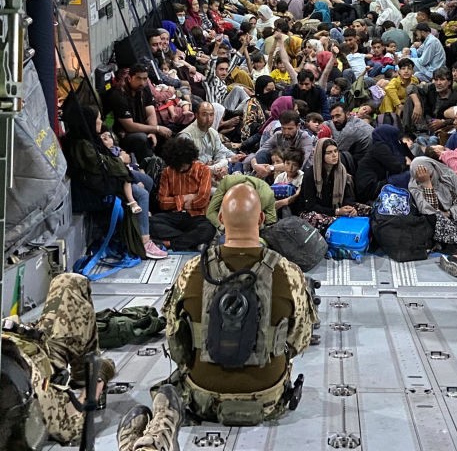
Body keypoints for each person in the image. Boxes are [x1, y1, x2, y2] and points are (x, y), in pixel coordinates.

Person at [121, 184, 316, 448]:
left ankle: (161, 424)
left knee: (170, 386)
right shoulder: (289, 272)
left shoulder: (191, 270)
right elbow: (298, 342)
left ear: (221, 220)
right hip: (267, 399)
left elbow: (175, 341)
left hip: (201, 397)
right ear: (261, 219)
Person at [1, 274, 115, 449]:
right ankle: (87, 372)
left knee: (69, 282)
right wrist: (98, 379)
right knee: (71, 282)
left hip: (21, 341)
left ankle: (86, 371)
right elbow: (73, 425)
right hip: (43, 357)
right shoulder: (29, 388)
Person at [62, 105, 167, 259]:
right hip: (97, 185)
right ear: (89, 121)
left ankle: (143, 222)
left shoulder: (90, 137)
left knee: (147, 181)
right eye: (97, 118)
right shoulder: (81, 144)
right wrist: (120, 162)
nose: (100, 121)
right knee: (142, 194)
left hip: (109, 176)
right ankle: (144, 241)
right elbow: (101, 165)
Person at [408, 157, 457, 278]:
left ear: (434, 169)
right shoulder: (414, 185)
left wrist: (451, 212)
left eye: (430, 176)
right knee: (431, 218)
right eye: (421, 178)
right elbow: (428, 210)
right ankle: (455, 252)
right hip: (439, 222)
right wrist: (427, 185)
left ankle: (455, 258)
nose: (428, 179)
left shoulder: (448, 175)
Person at [152, 136, 217, 251]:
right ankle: (191, 241)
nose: (180, 169)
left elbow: (202, 200)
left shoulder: (203, 170)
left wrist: (175, 201)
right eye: (177, 166)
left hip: (197, 217)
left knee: (208, 229)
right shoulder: (167, 172)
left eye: (183, 165)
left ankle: (171, 243)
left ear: (190, 159)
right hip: (174, 216)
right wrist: (185, 199)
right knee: (149, 223)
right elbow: (162, 202)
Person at [105, 62, 172, 162]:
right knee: (142, 138)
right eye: (138, 78)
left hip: (143, 128)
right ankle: (150, 167)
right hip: (123, 135)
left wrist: (153, 132)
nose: (142, 82)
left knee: (166, 133)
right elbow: (129, 126)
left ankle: (168, 166)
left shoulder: (144, 89)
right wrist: (156, 129)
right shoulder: (118, 95)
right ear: (129, 78)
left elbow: (150, 113)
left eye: (145, 79)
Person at [294, 137, 359, 231]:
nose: (334, 155)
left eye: (336, 151)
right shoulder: (311, 174)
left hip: (335, 208)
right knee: (331, 222)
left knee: (366, 210)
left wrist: (349, 207)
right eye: (329, 153)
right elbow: (311, 205)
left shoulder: (341, 170)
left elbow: (348, 195)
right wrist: (336, 211)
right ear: (320, 155)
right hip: (312, 211)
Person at [179, 103, 246, 181]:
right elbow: (191, 169)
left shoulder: (212, 132)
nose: (208, 119)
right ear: (196, 115)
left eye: (211, 115)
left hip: (213, 173)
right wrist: (225, 162)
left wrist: (238, 157)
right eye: (204, 115)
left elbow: (221, 150)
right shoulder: (185, 137)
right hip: (194, 180)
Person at [356, 124, 412, 202]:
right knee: (409, 175)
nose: (398, 140)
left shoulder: (384, 146)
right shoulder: (379, 147)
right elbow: (396, 168)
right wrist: (406, 162)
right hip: (370, 189)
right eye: (395, 136)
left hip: (375, 184)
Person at [324, 104, 374, 171]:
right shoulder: (355, 121)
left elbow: (336, 149)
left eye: (338, 116)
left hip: (364, 167)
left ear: (347, 114)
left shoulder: (351, 130)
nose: (334, 120)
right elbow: (330, 123)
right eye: (332, 117)